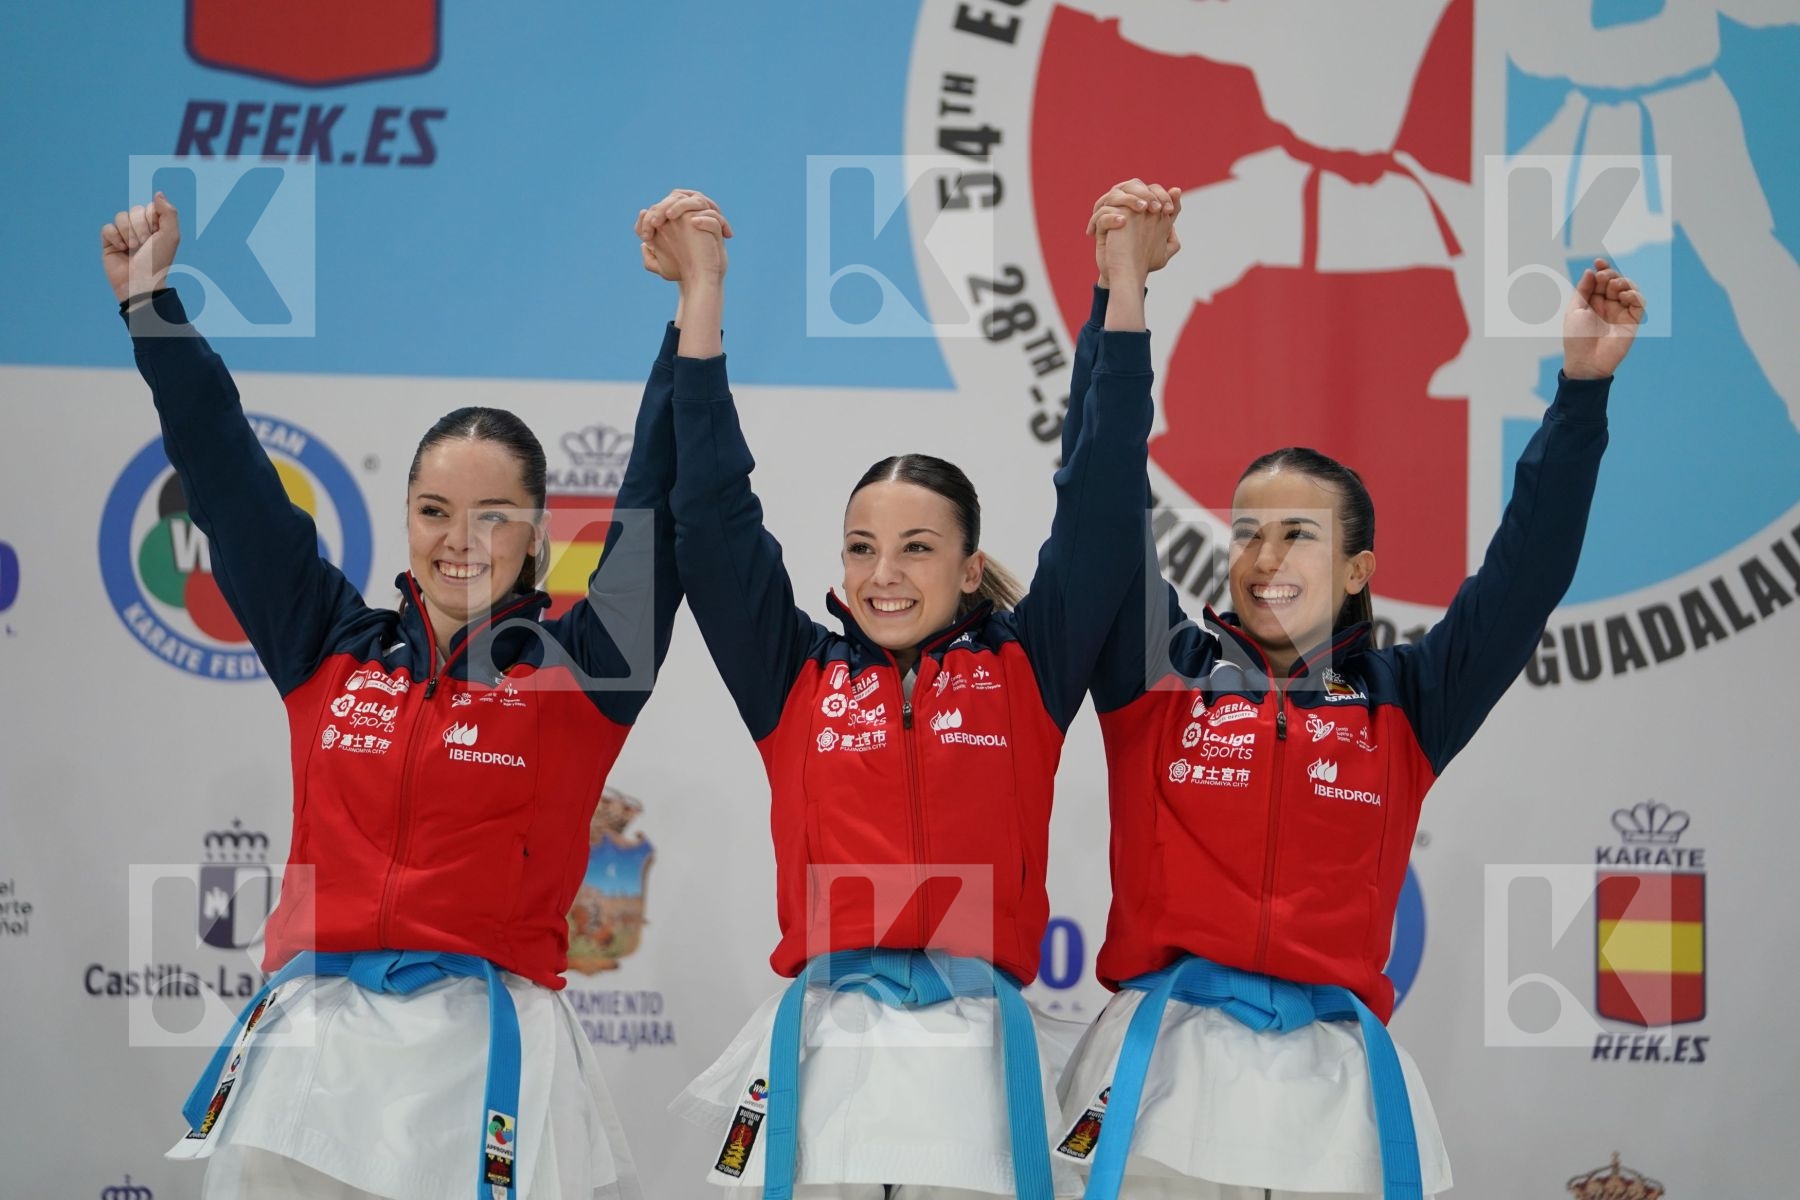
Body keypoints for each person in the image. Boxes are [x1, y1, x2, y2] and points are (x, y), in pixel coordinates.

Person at [1052, 181, 1644, 1200]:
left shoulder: (1408, 700)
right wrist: (1122, 298)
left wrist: (1580, 393)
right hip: (1157, 1087)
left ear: (1361, 568)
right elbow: (1100, 490)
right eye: (1246, 532)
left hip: (1335, 1102)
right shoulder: (1158, 672)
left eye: (1298, 534)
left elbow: (1524, 575)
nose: (1264, 556)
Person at [101, 191, 685, 1199]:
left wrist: (692, 313)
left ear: (538, 532)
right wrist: (153, 307)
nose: (460, 538)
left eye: (493, 515)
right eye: (433, 510)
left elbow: (659, 499)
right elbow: (230, 477)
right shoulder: (330, 640)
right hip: (310, 1057)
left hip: (484, 1062)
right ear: (407, 518)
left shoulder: (586, 666)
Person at [639, 182, 1171, 1198]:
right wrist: (701, 296)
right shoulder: (792, 674)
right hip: (821, 1060)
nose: (883, 574)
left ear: (971, 568)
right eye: (862, 548)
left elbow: (1102, 497)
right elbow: (709, 516)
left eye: (917, 549)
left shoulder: (1029, 666)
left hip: (982, 1066)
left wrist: (1125, 290)